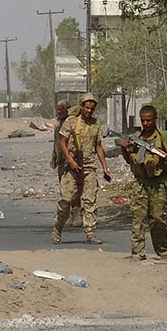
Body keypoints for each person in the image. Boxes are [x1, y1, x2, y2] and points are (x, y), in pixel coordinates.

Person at [122, 105, 167, 260]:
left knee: (158, 219)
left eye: (149, 120)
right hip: (140, 183)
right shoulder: (136, 137)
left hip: (158, 184)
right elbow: (130, 160)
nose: (146, 123)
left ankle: (162, 252)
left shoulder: (164, 136)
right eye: (143, 120)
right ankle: (138, 252)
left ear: (155, 119)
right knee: (138, 219)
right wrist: (124, 148)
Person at [54, 93, 111, 245]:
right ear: (81, 107)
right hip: (71, 166)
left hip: (89, 166)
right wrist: (70, 160)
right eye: (86, 108)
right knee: (66, 199)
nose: (89, 111)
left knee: (90, 200)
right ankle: (58, 227)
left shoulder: (96, 124)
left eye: (92, 109)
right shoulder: (71, 121)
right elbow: (62, 142)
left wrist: (105, 167)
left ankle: (90, 232)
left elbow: (98, 146)